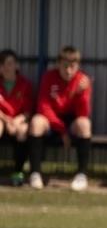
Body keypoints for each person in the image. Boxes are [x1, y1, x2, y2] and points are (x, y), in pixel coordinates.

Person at [28, 46, 93, 191]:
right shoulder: (49, 77)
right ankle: (35, 173)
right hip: (52, 121)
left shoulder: (83, 80)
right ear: (58, 64)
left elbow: (83, 113)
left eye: (72, 66)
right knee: (36, 122)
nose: (68, 71)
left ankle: (82, 175)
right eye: (65, 66)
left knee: (85, 124)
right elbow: (43, 107)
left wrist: (81, 94)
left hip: (72, 121)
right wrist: (63, 131)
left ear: (78, 66)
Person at [0, 50, 34, 186]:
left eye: (9, 64)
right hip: (3, 121)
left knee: (23, 130)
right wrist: (7, 121)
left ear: (17, 66)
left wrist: (16, 121)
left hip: (19, 120)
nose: (6, 68)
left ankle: (18, 172)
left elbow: (28, 111)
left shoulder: (26, 84)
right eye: (2, 65)